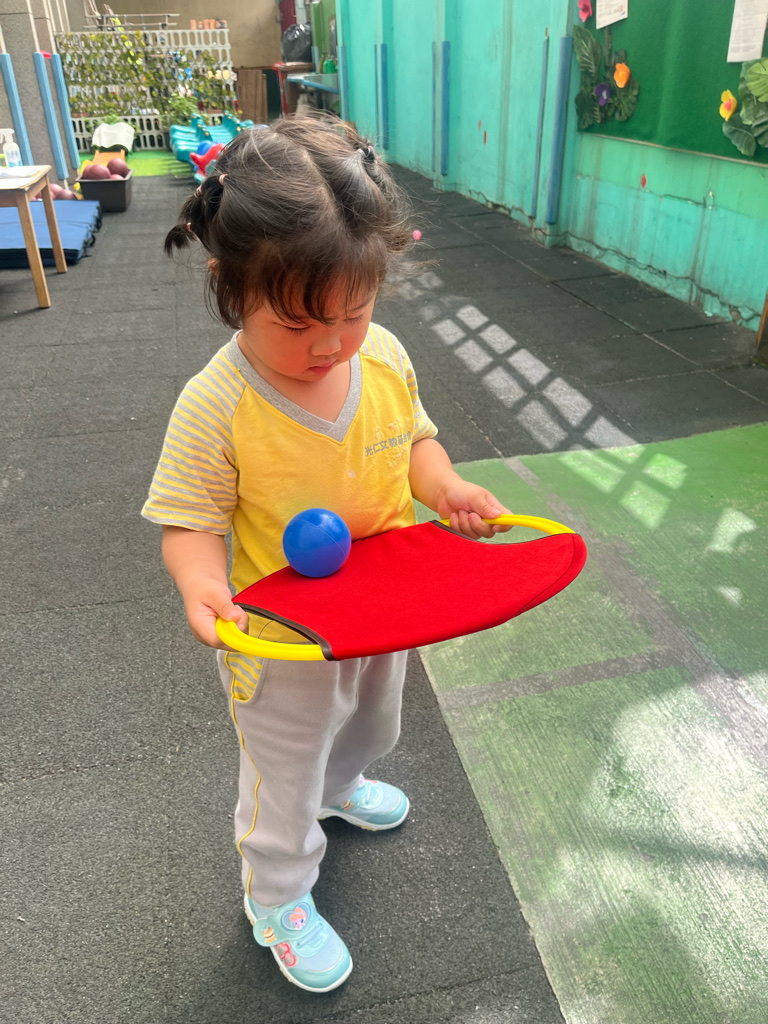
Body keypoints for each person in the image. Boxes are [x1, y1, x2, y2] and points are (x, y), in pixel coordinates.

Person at [143, 115, 511, 994]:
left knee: (373, 726)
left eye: (353, 312)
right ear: (231, 288)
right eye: (299, 321)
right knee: (283, 772)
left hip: (380, 611)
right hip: (281, 638)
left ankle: (340, 787)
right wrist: (201, 585)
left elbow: (413, 442)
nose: (330, 343)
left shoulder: (381, 358)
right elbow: (188, 519)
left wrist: (446, 488)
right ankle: (276, 894)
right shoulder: (218, 403)